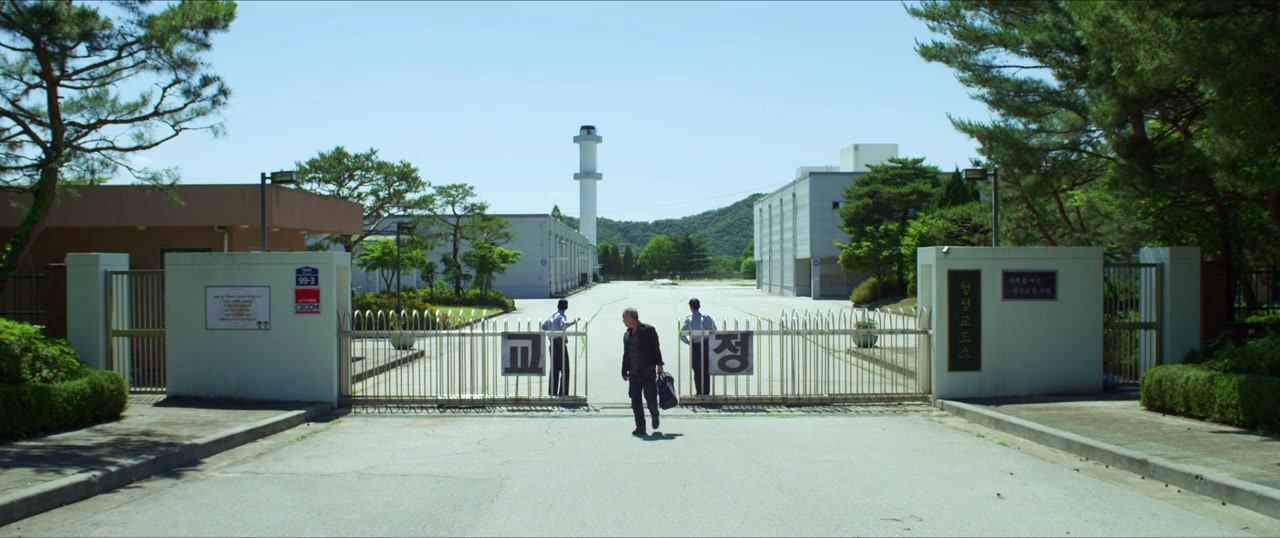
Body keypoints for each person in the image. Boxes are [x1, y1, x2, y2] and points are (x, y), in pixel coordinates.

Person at [621, 306, 663, 436]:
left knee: (650, 397)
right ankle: (640, 426)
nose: (623, 321)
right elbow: (626, 354)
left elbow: (656, 347)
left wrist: (659, 364)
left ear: (631, 318)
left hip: (647, 369)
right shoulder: (627, 334)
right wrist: (624, 370)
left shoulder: (648, 330)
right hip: (633, 372)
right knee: (635, 400)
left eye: (624, 318)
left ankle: (654, 414)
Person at [680, 298, 718, 396]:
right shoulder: (707, 317)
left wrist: (688, 342)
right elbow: (715, 331)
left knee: (697, 370)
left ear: (691, 307)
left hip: (696, 346)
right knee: (706, 370)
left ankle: (699, 392)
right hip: (707, 345)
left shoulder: (690, 319)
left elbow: (682, 334)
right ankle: (706, 392)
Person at [541, 298, 577, 396]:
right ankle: (563, 392)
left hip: (552, 344)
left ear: (557, 306)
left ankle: (552, 392)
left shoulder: (552, 316)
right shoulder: (561, 316)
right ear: (566, 307)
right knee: (565, 369)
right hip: (560, 344)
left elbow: (543, 326)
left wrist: (551, 330)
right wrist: (573, 322)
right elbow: (563, 324)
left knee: (554, 369)